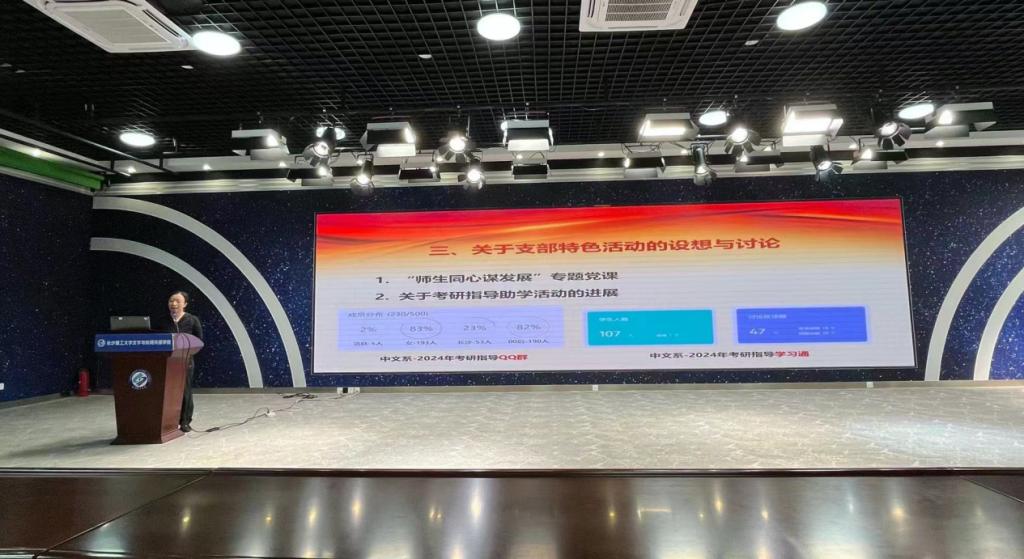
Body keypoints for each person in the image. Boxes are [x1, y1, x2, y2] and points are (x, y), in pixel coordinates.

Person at [158, 290, 203, 432]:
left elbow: (199, 341)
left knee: (185, 390)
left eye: (177, 301)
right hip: (167, 361)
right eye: (171, 300)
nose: (174, 303)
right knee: (167, 390)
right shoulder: (163, 320)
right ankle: (168, 421)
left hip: (185, 361)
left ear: (185, 304)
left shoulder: (192, 320)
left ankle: (185, 421)